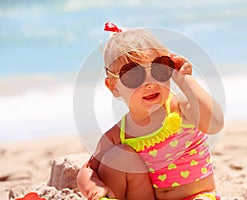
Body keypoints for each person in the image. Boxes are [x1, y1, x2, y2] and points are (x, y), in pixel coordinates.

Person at [77, 22, 224, 200]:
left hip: (198, 196)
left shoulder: (181, 107)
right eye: (133, 76)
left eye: (159, 69)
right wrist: (94, 188)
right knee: (117, 157)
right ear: (114, 87)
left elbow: (215, 124)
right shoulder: (118, 134)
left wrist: (185, 80)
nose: (150, 83)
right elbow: (87, 171)